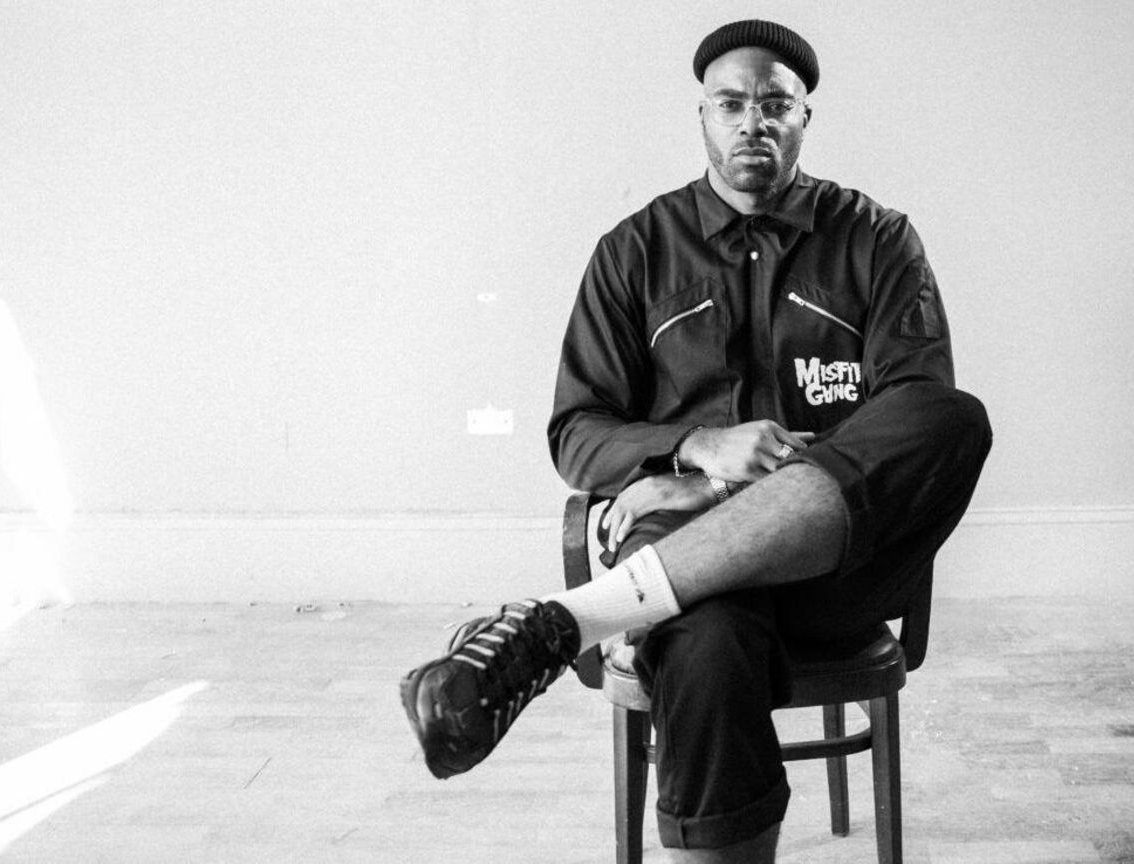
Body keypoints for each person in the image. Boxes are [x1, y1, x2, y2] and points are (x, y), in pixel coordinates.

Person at [400, 19, 991, 863]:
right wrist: (697, 450)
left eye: (776, 104)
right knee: (710, 648)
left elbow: (913, 411)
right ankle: (625, 610)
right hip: (690, 575)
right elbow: (577, 431)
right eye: (733, 103)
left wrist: (743, 492)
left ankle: (570, 621)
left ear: (804, 119)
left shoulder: (878, 239)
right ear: (703, 117)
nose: (755, 121)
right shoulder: (634, 252)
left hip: (835, 568)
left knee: (953, 417)